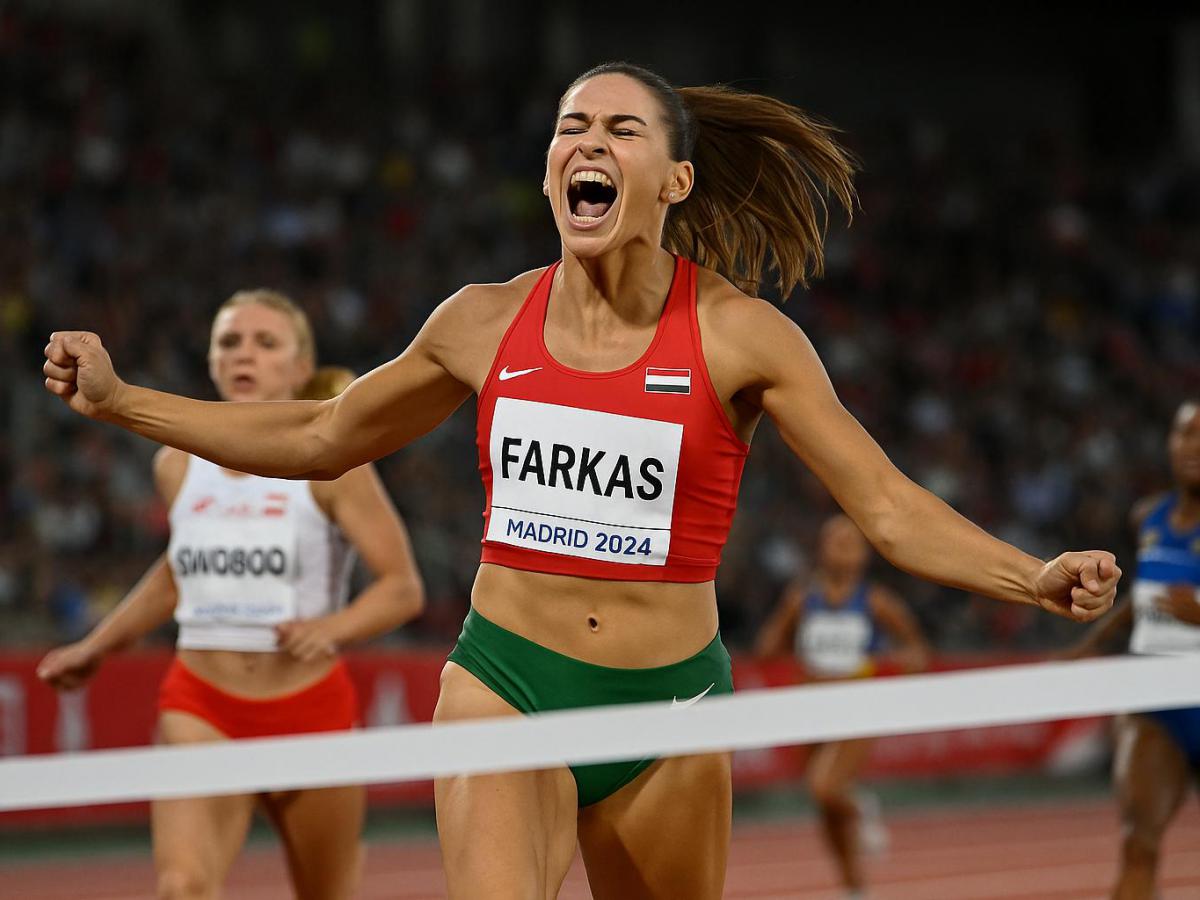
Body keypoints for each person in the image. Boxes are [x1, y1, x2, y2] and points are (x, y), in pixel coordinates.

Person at [41, 62, 1120, 900]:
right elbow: (323, 432)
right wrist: (123, 400)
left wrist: (1031, 576)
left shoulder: (741, 336)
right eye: (571, 126)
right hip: (507, 682)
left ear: (675, 180)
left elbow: (885, 506)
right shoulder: (480, 321)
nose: (587, 143)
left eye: (620, 129)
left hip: (671, 705)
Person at [37, 291, 425, 900]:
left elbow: (402, 587)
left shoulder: (337, 467)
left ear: (301, 367)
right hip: (202, 706)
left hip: (308, 713)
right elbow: (176, 573)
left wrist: (333, 628)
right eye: (230, 342)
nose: (245, 354)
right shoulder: (175, 465)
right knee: (182, 887)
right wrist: (97, 646)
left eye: (266, 343)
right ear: (213, 362)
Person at [1064, 399, 1200, 900]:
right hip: (1154, 701)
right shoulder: (1148, 517)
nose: (1193, 445)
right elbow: (1144, 599)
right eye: (1185, 433)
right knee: (1138, 843)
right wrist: (1087, 646)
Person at [756, 514, 929, 898]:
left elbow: (916, 648)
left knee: (824, 787)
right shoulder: (802, 598)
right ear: (821, 549)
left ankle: (862, 807)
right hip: (811, 711)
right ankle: (854, 889)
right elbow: (768, 647)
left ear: (864, 554)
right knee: (826, 812)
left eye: (851, 542)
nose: (843, 548)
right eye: (835, 541)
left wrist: (896, 664)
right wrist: (779, 629)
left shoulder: (876, 601)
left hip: (856, 708)